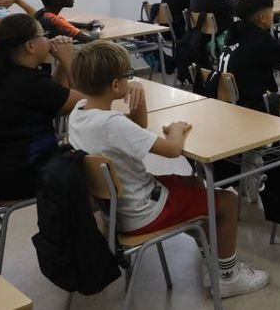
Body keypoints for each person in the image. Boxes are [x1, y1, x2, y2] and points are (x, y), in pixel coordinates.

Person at [68, 41, 269, 298]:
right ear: (116, 86)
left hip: (117, 210)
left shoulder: (79, 113)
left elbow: (138, 128)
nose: (131, 80)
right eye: (129, 76)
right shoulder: (112, 123)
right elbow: (173, 150)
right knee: (227, 200)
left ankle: (213, 262)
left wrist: (137, 95)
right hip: (141, 212)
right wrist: (176, 131)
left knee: (195, 183)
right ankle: (228, 277)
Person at [0, 14, 82, 202]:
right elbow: (83, 105)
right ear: (30, 46)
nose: (48, 39)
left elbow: (58, 101)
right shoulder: (30, 84)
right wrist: (68, 61)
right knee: (95, 159)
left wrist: (58, 64)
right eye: (44, 34)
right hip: (20, 177)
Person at [222, 0, 280, 112]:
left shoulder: (234, 33)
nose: (273, 15)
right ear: (263, 18)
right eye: (271, 12)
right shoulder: (260, 41)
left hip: (230, 102)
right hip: (254, 106)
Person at [35, 0, 102, 43]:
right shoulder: (53, 19)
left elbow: (64, 23)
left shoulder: (42, 14)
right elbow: (91, 40)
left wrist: (85, 25)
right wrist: (97, 27)